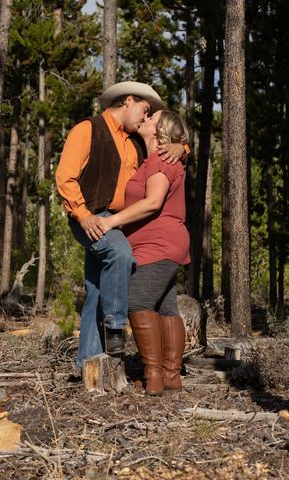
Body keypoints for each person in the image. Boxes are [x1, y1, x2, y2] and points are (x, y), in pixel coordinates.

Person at [55, 81, 187, 371]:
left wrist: (182, 146)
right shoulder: (87, 129)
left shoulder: (137, 141)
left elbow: (168, 146)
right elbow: (65, 177)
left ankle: (87, 365)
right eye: (144, 110)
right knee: (121, 254)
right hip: (89, 217)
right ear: (128, 101)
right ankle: (116, 327)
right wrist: (83, 215)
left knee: (97, 290)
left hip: (117, 221)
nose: (145, 117)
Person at [93, 109, 190, 395]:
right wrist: (183, 147)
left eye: (151, 118)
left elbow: (152, 202)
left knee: (136, 302)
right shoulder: (157, 157)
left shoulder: (161, 160)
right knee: (166, 308)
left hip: (157, 244)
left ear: (161, 130)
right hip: (164, 243)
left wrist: (110, 221)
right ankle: (171, 377)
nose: (145, 119)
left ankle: (154, 377)